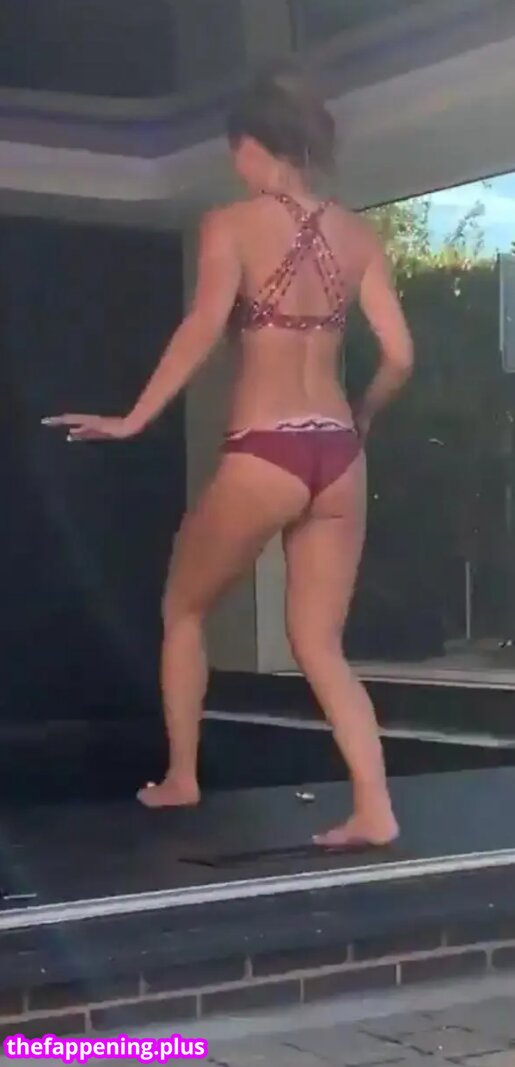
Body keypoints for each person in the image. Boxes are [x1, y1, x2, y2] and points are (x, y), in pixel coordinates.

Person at [43, 66, 413, 849]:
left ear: (252, 146)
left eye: (234, 150)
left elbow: (201, 329)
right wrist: (362, 416)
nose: (233, 163)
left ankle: (182, 775)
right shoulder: (357, 236)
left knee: (182, 607)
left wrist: (132, 418)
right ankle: (374, 807)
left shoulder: (232, 224)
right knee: (320, 645)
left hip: (265, 449)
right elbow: (399, 357)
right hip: (337, 454)